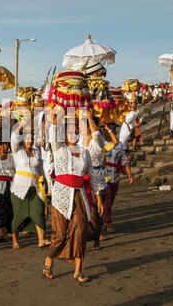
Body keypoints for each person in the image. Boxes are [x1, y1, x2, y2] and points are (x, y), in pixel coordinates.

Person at [43, 111, 103, 283]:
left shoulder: (85, 152)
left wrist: (98, 198)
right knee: (60, 234)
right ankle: (49, 260)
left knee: (80, 232)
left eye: (76, 131)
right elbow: (53, 130)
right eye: (70, 131)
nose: (73, 134)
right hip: (61, 196)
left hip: (81, 196)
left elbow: (92, 175)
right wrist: (59, 114)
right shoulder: (59, 148)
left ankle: (78, 271)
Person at [80, 110, 118, 249]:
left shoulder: (98, 139)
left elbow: (99, 134)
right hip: (84, 177)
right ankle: (84, 235)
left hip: (97, 176)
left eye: (85, 126)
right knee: (85, 209)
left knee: (97, 208)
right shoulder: (80, 140)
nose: (83, 129)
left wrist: (89, 117)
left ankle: (96, 237)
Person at [10, 118, 50, 250]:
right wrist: (23, 122)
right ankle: (15, 240)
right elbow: (14, 136)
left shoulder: (37, 151)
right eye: (27, 138)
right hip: (19, 188)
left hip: (35, 187)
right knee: (19, 215)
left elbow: (41, 169)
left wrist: (46, 183)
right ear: (22, 139)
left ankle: (41, 240)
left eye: (31, 138)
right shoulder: (17, 150)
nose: (29, 140)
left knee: (38, 211)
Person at [102, 123, 134, 232]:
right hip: (104, 175)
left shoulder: (119, 145)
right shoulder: (101, 143)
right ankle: (108, 222)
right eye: (108, 129)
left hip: (115, 175)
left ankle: (103, 220)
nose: (110, 131)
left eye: (112, 129)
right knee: (107, 198)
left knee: (110, 201)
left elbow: (124, 160)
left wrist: (129, 173)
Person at [0, 141, 15, 243]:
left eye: (5, 144)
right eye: (1, 145)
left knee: (10, 209)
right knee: (0, 210)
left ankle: (10, 232)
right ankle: (2, 233)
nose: (3, 147)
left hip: (10, 185)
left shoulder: (13, 156)